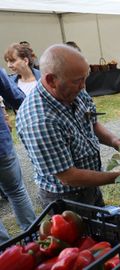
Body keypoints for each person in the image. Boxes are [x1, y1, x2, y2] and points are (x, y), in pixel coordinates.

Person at [16, 44, 120, 207]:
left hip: (90, 186)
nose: (83, 86)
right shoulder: (39, 120)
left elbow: (92, 123)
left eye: (84, 79)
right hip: (66, 198)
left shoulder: (73, 90)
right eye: (78, 81)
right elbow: (69, 176)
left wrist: (116, 141)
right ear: (51, 80)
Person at [0, 68, 36, 244]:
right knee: (16, 191)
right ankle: (33, 239)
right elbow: (16, 98)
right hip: (1, 146)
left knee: (16, 191)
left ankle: (4, 250)